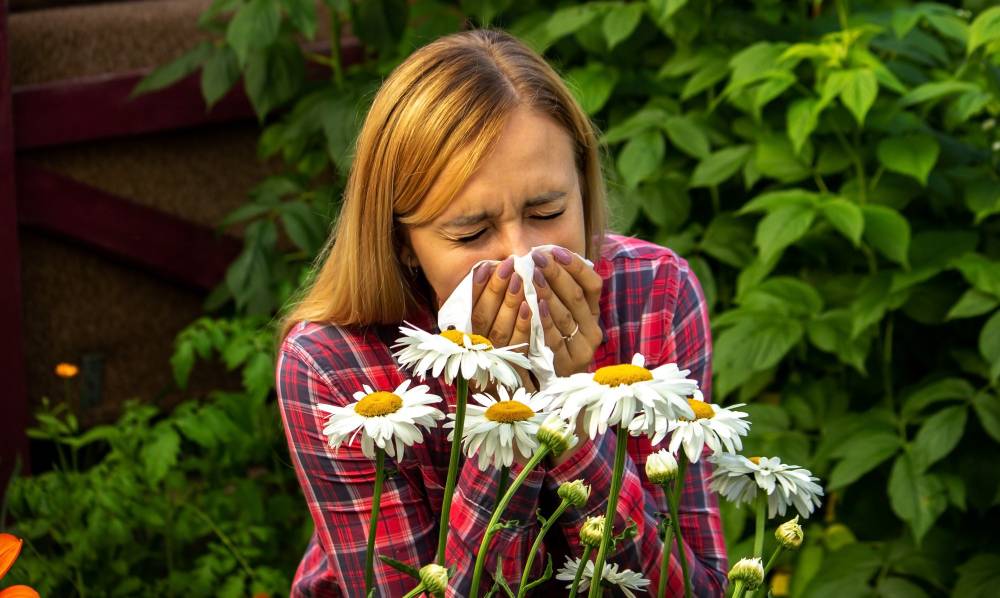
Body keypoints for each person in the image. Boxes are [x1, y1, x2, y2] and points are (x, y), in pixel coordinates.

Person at [275, 28, 728, 597]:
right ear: (401, 243)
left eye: (547, 210)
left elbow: (696, 587)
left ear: (583, 187)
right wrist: (508, 415)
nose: (520, 260)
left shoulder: (654, 292)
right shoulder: (330, 363)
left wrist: (568, 398)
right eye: (470, 232)